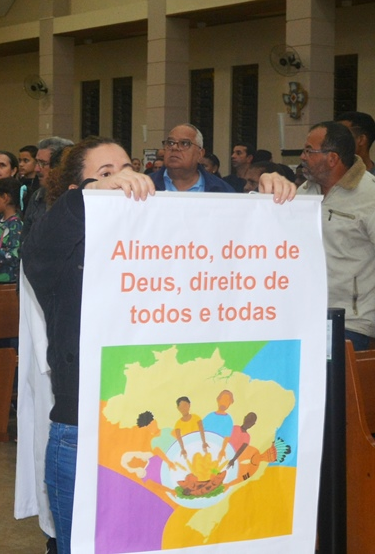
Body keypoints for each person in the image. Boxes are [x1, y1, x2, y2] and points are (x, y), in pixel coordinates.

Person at [24, 136, 295, 554]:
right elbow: (42, 242)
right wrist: (92, 195)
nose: (122, 179)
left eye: (126, 169)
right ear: (77, 189)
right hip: (84, 432)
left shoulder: (163, 247)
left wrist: (270, 200)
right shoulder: (61, 252)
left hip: (159, 436)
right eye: (105, 173)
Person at [298, 121, 375, 351]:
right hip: (304, 316)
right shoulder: (304, 191)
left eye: (309, 151)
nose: (302, 156)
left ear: (332, 158)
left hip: (351, 323)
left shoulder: (370, 196)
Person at [149, 124, 233, 193]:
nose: (174, 147)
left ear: (200, 154)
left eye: (184, 143)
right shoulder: (146, 186)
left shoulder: (222, 191)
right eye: (170, 143)